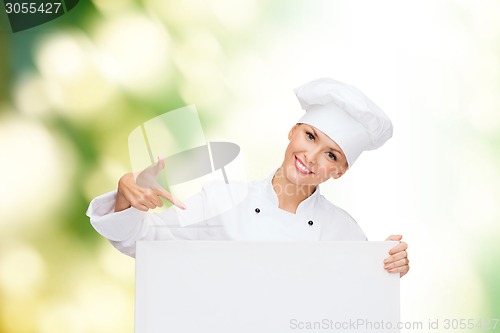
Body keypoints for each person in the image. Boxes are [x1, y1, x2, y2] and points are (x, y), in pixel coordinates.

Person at [87, 78, 410, 277]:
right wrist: (125, 196)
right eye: (310, 136)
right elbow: (141, 242)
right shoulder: (221, 200)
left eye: (331, 154)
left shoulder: (344, 232)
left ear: (340, 171)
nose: (311, 157)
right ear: (292, 131)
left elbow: (358, 304)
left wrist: (389, 267)